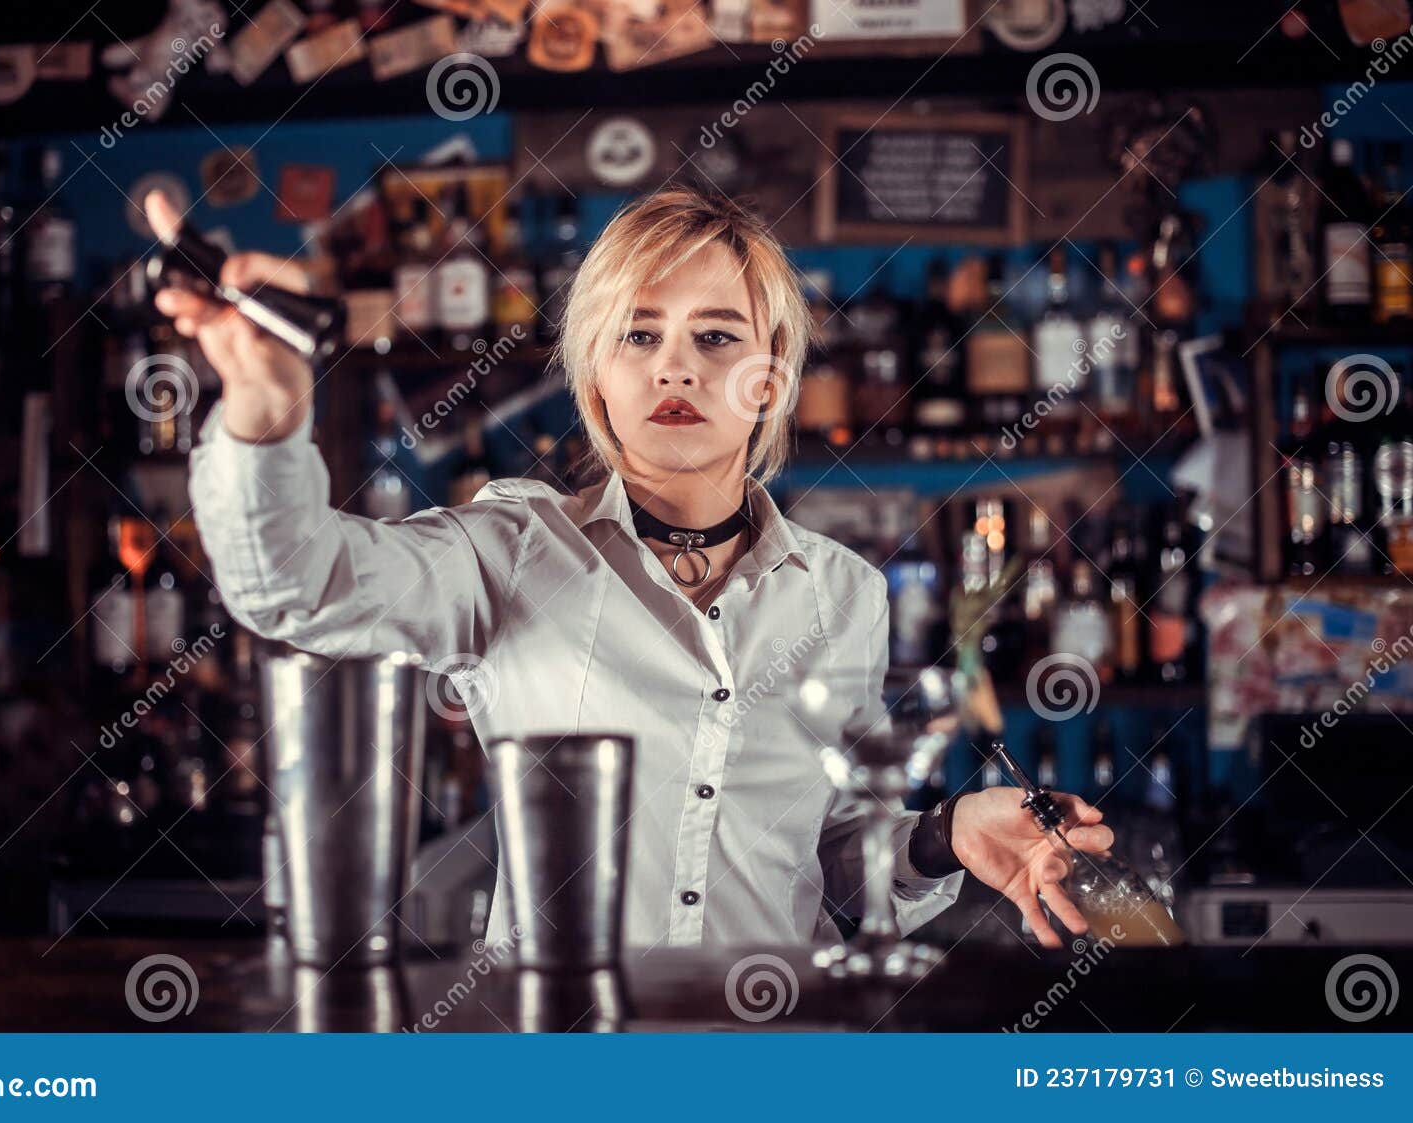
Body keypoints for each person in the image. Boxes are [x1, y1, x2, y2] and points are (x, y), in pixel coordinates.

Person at [150, 184, 1114, 953]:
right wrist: (268, 416)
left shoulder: (843, 592)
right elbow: (296, 587)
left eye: (718, 335)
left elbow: (829, 862)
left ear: (772, 373)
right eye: (639, 334)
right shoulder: (510, 551)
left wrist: (941, 832)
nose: (676, 368)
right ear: (596, 373)